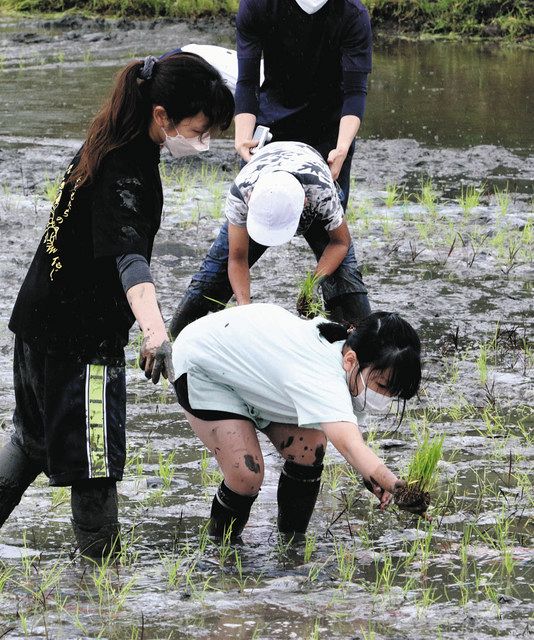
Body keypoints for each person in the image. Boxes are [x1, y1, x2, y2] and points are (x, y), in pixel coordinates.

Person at [0, 53, 234, 556]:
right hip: (80, 339)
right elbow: (130, 261)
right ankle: (103, 586)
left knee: (31, 442)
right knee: (95, 464)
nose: (203, 142)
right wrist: (155, 331)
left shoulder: (107, 135)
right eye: (198, 129)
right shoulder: (128, 170)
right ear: (162, 116)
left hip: (37, 317)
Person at [172, 303, 425, 538]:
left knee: (310, 447)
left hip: (255, 376)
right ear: (351, 361)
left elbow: (349, 431)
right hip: (204, 365)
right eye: (381, 386)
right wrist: (395, 485)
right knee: (246, 474)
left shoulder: (346, 358)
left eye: (394, 394)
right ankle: (220, 551)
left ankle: (292, 544)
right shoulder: (322, 374)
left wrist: (369, 472)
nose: (385, 397)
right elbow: (349, 444)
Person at [169, 141, 370, 339]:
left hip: (308, 178)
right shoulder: (242, 194)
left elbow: (340, 243)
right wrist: (244, 311)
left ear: (305, 204)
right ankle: (171, 342)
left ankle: (363, 347)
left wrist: (312, 284)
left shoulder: (320, 192)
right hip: (263, 185)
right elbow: (237, 258)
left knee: (346, 277)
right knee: (211, 275)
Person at [234, 0, 372, 211]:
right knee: (243, 235)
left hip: (329, 141)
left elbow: (354, 92)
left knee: (333, 238)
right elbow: (247, 81)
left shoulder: (352, 13)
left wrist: (342, 148)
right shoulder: (258, 5)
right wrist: (243, 138)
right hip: (271, 133)